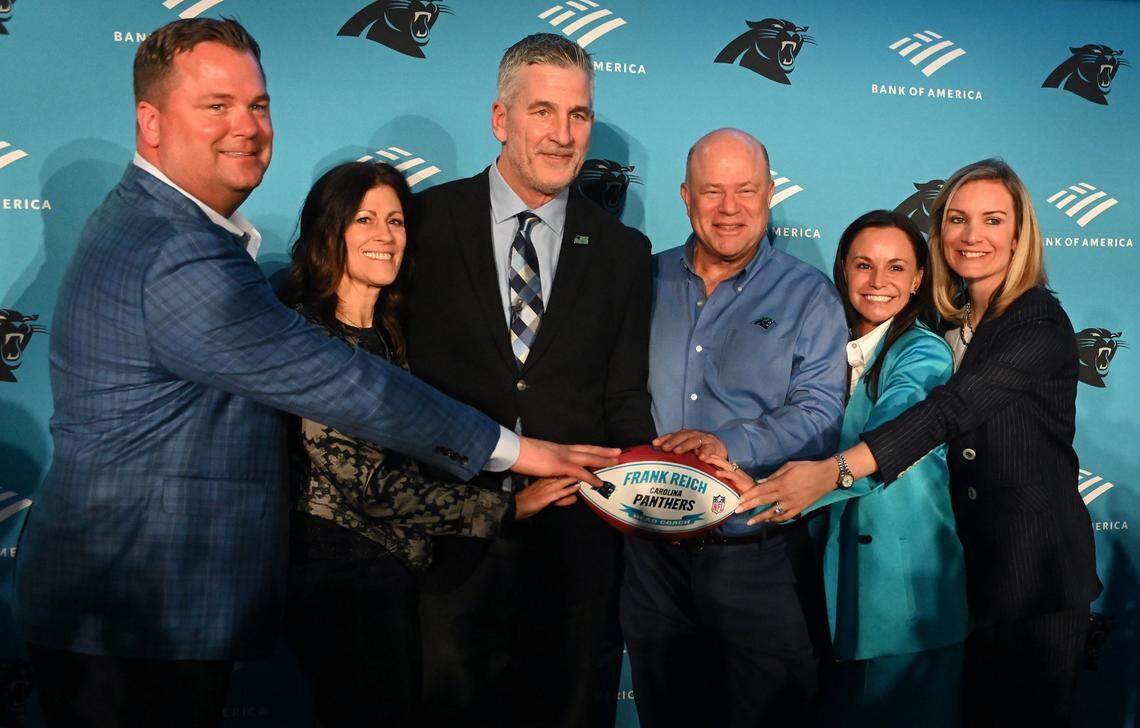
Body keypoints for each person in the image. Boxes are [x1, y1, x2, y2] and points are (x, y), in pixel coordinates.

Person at [14, 19, 614, 728]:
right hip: (137, 611)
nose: (246, 126)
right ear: (150, 122)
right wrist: (520, 454)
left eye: (258, 105)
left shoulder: (153, 225)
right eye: (217, 106)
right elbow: (348, 386)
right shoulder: (178, 250)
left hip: (135, 608)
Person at [739, 159, 1100, 726]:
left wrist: (828, 474)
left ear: (1019, 232)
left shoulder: (1038, 323)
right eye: (956, 219)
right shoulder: (953, 326)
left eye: (992, 220)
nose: (972, 236)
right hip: (970, 577)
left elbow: (944, 413)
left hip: (1034, 579)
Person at [406, 33, 656, 728]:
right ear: (500, 119)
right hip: (449, 543)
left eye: (578, 115)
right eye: (543, 112)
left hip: (576, 554)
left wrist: (650, 489)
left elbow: (624, 399)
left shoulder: (622, 253)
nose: (563, 134)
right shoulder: (423, 224)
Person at [277, 160, 584, 725]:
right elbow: (368, 486)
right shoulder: (311, 338)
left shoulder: (393, 334)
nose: (384, 235)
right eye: (364, 219)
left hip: (395, 578)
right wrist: (509, 505)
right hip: (340, 583)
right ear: (330, 232)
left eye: (395, 221)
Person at [621, 128, 848, 727]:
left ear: (769, 194)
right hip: (653, 555)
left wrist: (729, 442)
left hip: (758, 553)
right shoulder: (640, 281)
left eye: (745, 190)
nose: (729, 209)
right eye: (712, 191)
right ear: (685, 196)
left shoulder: (809, 296)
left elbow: (821, 415)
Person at [714, 209, 970, 727]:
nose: (879, 282)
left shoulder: (922, 353)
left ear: (919, 278)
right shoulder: (824, 351)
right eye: (864, 266)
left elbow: (890, 435)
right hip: (829, 596)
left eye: (897, 268)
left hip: (903, 602)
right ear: (843, 271)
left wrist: (779, 492)